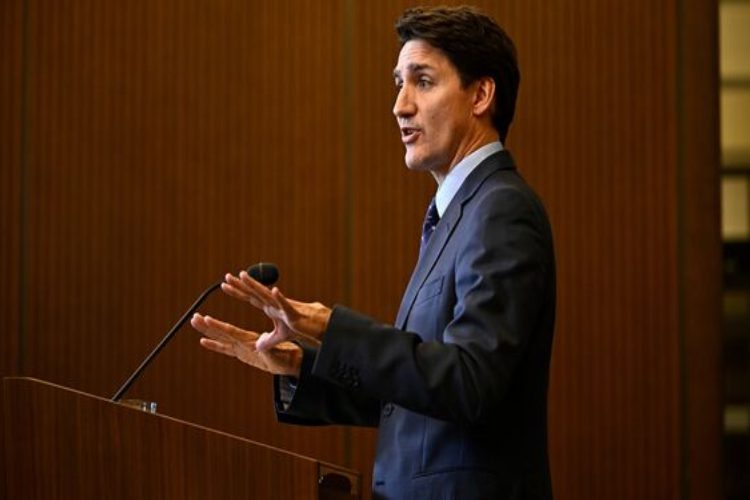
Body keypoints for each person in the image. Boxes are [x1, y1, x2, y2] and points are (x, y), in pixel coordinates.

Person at [191, 5, 555, 499]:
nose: (400, 105)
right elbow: (415, 398)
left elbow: (471, 384)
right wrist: (302, 364)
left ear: (481, 95)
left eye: (422, 81)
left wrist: (332, 327)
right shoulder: (458, 214)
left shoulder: (501, 209)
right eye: (399, 83)